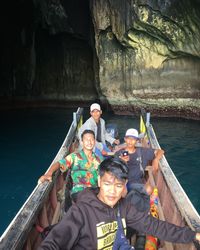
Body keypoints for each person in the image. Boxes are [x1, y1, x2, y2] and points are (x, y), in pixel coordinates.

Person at [38, 157, 200, 249]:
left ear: (124, 186)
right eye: (108, 184)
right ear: (99, 181)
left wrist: (193, 235)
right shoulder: (81, 211)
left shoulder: (124, 206)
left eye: (118, 186)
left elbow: (155, 226)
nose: (112, 192)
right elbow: (54, 242)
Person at [38, 129, 102, 202]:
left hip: (94, 192)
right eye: (86, 140)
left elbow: (101, 178)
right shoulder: (74, 156)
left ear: (94, 141)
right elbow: (59, 163)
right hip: (79, 191)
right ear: (82, 142)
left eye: (91, 139)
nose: (89, 142)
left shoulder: (99, 160)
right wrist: (49, 173)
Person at [115, 128, 164, 212]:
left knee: (148, 189)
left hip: (137, 183)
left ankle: (140, 201)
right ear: (125, 139)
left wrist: (156, 160)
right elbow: (115, 172)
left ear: (137, 140)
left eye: (133, 139)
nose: (130, 141)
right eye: (128, 138)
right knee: (123, 194)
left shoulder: (142, 152)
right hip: (124, 183)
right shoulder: (119, 154)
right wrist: (122, 162)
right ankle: (145, 201)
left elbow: (160, 151)